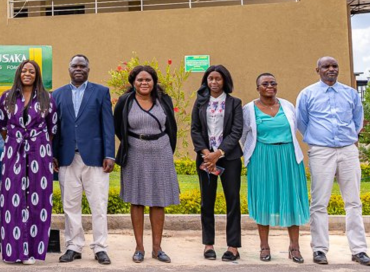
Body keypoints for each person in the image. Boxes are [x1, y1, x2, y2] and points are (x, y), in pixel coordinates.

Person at [297, 56, 370, 266]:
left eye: (334, 66)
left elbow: (357, 120)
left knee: (353, 202)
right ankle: (320, 249)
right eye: (326, 66)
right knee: (319, 202)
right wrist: (319, 140)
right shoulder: (307, 94)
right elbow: (302, 122)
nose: (331, 69)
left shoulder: (350, 93)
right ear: (318, 70)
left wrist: (348, 139)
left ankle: (359, 250)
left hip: (348, 150)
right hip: (321, 151)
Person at [51, 55, 115, 265]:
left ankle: (100, 247)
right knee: (70, 206)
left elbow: (107, 125)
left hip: (95, 159)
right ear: (68, 69)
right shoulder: (58, 94)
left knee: (98, 204)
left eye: (82, 66)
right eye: (74, 66)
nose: (78, 69)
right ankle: (73, 246)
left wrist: (109, 154)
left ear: (89, 69)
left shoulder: (101, 92)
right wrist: (53, 155)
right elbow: (55, 129)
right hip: (67, 159)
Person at [114, 65, 179, 264]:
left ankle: (157, 248)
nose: (144, 83)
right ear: (133, 82)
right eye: (140, 80)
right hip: (135, 152)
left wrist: (165, 148)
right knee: (137, 199)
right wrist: (134, 142)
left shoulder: (163, 100)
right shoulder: (125, 101)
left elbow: (172, 127)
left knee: (159, 200)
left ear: (154, 82)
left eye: (148, 80)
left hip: (161, 151)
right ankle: (139, 247)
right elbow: (118, 127)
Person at [242, 73, 309, 263]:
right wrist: (253, 155)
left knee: (292, 199)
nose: (269, 86)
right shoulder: (248, 109)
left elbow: (299, 128)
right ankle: (264, 246)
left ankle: (294, 247)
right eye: (265, 83)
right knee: (264, 199)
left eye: (273, 83)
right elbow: (244, 135)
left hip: (288, 157)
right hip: (262, 158)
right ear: (258, 88)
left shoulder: (287, 106)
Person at [0, 60, 58, 265]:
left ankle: (31, 251)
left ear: (37, 75)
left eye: (31, 71)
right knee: (12, 198)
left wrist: (38, 145)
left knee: (37, 199)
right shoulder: (6, 97)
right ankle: (13, 252)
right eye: (24, 70)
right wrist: (15, 141)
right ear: (18, 73)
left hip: (39, 152)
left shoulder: (47, 98)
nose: (27, 73)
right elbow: (2, 126)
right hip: (13, 151)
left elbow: (52, 129)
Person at [189, 64, 243, 261]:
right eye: (210, 78)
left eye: (217, 78)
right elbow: (194, 129)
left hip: (229, 159)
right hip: (205, 159)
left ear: (225, 81)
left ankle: (233, 246)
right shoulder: (201, 102)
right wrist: (206, 153)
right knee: (207, 202)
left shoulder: (234, 103)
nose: (214, 82)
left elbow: (236, 131)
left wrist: (218, 153)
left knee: (233, 201)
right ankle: (208, 244)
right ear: (206, 81)